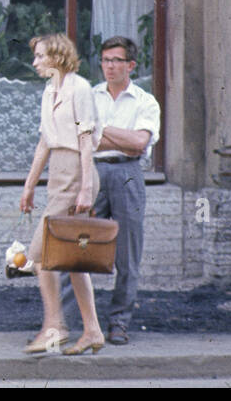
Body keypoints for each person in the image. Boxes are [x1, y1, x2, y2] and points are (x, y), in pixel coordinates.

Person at [59, 35, 161, 344]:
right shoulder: (89, 96)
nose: (110, 67)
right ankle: (62, 323)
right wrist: (115, 137)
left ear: (130, 65)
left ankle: (119, 323)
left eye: (117, 61)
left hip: (129, 173)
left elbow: (139, 143)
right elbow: (79, 139)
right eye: (105, 60)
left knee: (128, 254)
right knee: (76, 248)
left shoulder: (145, 101)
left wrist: (98, 131)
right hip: (92, 173)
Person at [19, 32, 105, 355]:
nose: (35, 62)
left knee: (40, 254)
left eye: (41, 56)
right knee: (71, 259)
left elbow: (86, 141)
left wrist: (85, 187)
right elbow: (45, 142)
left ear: (57, 56)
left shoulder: (79, 89)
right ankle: (93, 330)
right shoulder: (48, 91)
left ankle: (55, 327)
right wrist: (29, 186)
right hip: (58, 170)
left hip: (75, 172)